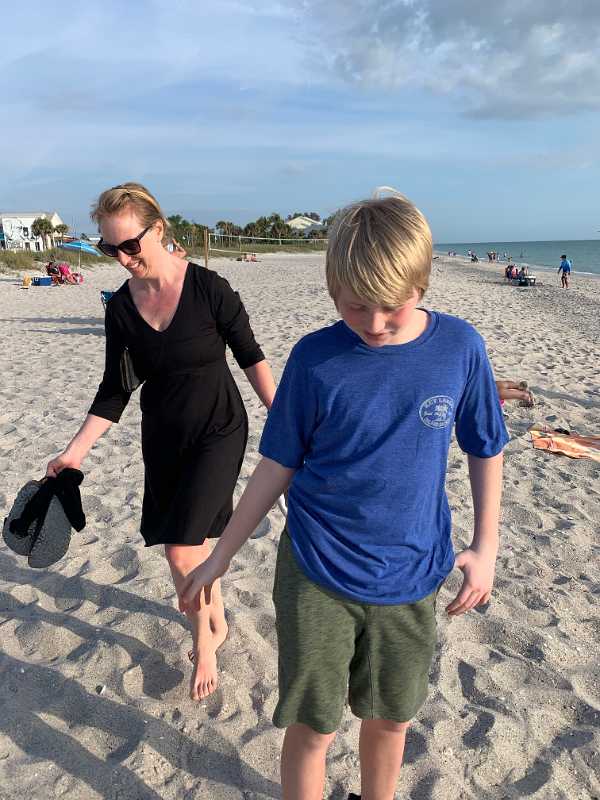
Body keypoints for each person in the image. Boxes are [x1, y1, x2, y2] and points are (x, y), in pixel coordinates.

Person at [179, 190, 508, 799]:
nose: (375, 324)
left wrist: (485, 546)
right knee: (313, 727)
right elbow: (277, 466)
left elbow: (485, 446)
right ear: (333, 289)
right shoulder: (315, 358)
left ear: (422, 284)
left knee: (391, 720)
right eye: (356, 307)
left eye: (393, 307)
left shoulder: (460, 348)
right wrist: (220, 556)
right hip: (316, 573)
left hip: (412, 573)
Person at [46, 182, 276, 701]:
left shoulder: (209, 288)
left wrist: (284, 423)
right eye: (110, 248)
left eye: (130, 245)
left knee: (180, 549)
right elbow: (116, 388)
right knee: (197, 542)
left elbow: (251, 357)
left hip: (219, 429)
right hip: (164, 436)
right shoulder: (121, 309)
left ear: (159, 229)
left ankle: (205, 643)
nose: (123, 258)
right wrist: (75, 451)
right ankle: (216, 619)